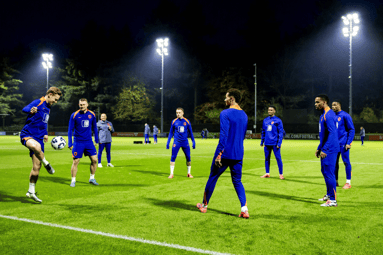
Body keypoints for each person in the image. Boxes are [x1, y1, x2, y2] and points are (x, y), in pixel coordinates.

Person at [197, 88, 249, 218]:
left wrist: (219, 154)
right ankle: (244, 209)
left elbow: (224, 136)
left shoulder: (225, 113)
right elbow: (241, 136)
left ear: (232, 99)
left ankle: (204, 206)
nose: (224, 100)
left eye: (226, 97)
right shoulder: (244, 115)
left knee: (213, 177)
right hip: (238, 153)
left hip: (225, 153)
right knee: (237, 181)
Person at [20, 87, 62, 203]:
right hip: (28, 134)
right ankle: (47, 164)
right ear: (50, 94)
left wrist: (45, 133)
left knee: (36, 167)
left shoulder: (48, 108)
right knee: (36, 147)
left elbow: (44, 122)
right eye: (55, 99)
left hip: (39, 137)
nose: (55, 102)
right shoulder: (39, 102)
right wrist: (31, 110)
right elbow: (25, 109)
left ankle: (31, 191)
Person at [315, 94, 340, 207]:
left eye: (317, 102)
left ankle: (333, 200)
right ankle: (329, 195)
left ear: (324, 102)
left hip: (330, 149)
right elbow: (323, 135)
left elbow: (332, 133)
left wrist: (325, 149)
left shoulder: (329, 115)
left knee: (329, 173)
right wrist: (319, 148)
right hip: (325, 147)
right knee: (324, 171)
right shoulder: (323, 115)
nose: (315, 104)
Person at [68, 98, 99, 187]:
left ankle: (92, 178)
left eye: (83, 104)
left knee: (94, 160)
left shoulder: (92, 114)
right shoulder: (74, 115)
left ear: (87, 105)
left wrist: (96, 139)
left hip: (89, 141)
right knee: (76, 161)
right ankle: (73, 180)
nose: (82, 106)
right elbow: (70, 130)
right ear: (79, 105)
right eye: (80, 104)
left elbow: (95, 128)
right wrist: (70, 143)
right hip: (78, 142)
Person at [166, 107, 196, 178]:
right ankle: (171, 173)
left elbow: (191, 133)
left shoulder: (187, 121)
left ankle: (189, 173)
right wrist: (168, 142)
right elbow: (170, 133)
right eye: (177, 113)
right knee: (173, 157)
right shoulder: (174, 121)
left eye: (179, 112)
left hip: (185, 142)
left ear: (183, 113)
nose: (178, 114)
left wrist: (193, 141)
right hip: (176, 142)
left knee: (188, 157)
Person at [332, 100, 355, 189]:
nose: (333, 106)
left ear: (339, 105)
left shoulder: (345, 115)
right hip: (334, 145)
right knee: (334, 163)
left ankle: (348, 182)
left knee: (346, 162)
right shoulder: (332, 116)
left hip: (343, 144)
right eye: (332, 105)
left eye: (335, 105)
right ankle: (336, 181)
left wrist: (349, 142)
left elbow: (351, 129)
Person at [260, 106, 284, 179]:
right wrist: (262, 141)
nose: (269, 111)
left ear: (274, 111)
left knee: (278, 158)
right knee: (267, 158)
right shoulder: (265, 120)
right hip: (267, 143)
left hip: (275, 143)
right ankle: (267, 173)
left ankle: (281, 174)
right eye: (268, 110)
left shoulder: (278, 120)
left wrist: (279, 143)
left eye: (271, 110)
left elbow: (281, 132)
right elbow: (263, 131)